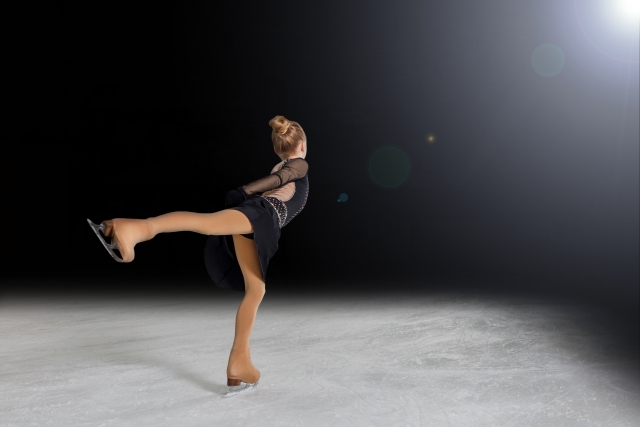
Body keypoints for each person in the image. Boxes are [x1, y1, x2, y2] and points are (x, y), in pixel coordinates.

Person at [87, 115, 309, 396]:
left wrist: (247, 192)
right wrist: (245, 190)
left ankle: (240, 362)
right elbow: (280, 179)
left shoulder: (281, 163)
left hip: (261, 220)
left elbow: (279, 178)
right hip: (262, 215)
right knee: (207, 223)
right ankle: (136, 228)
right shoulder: (299, 164)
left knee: (256, 289)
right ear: (301, 145)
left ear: (278, 148)